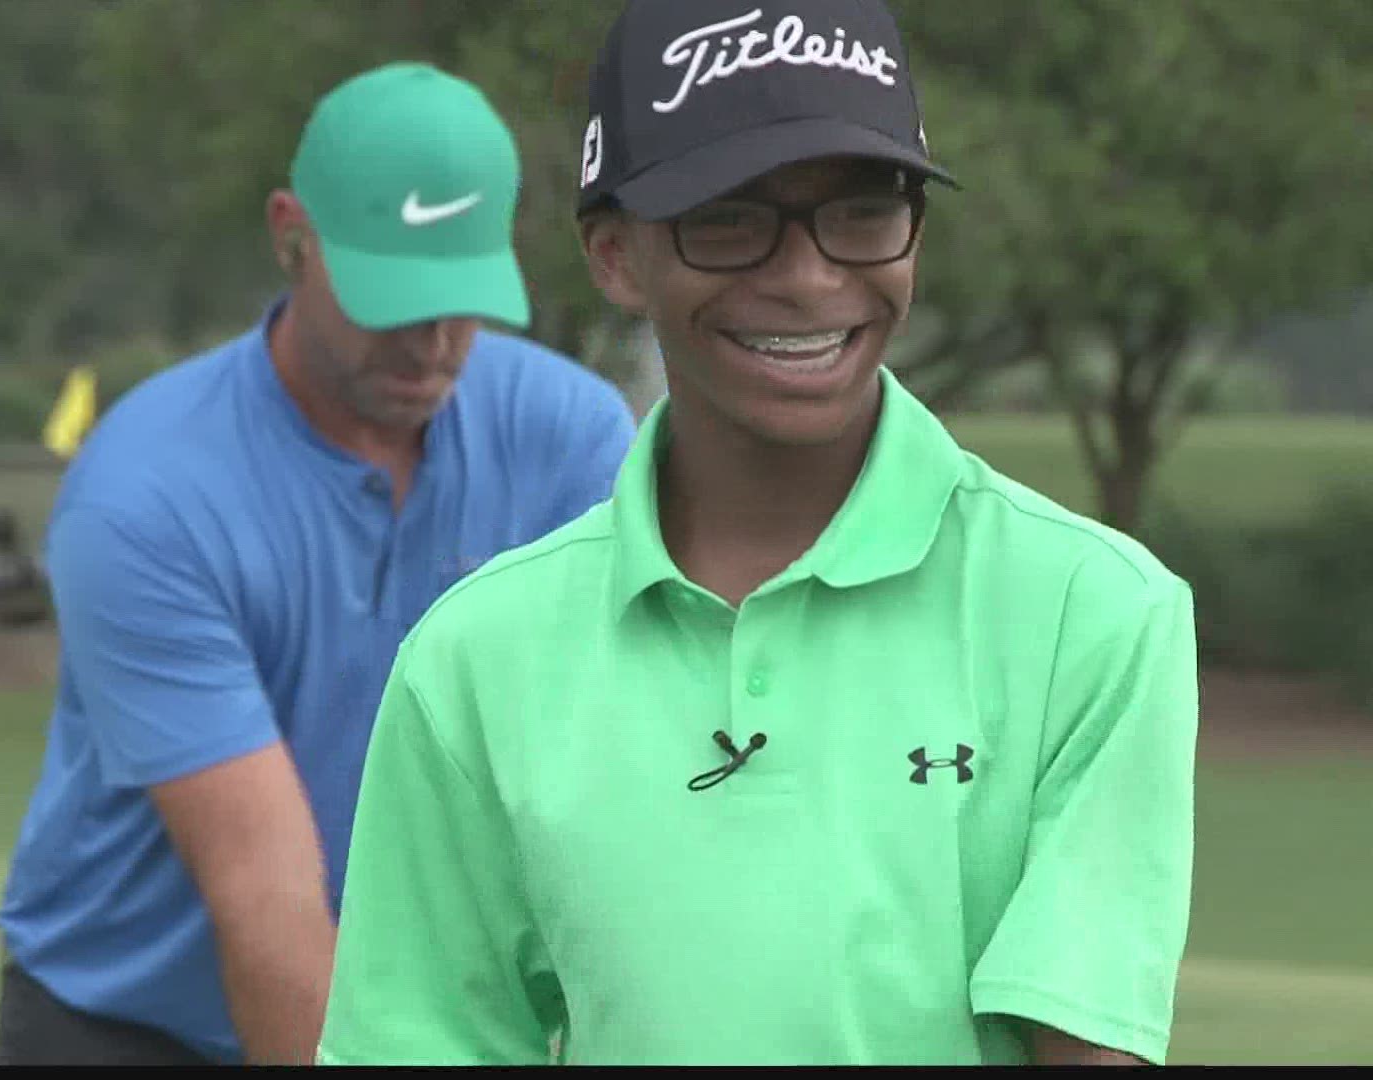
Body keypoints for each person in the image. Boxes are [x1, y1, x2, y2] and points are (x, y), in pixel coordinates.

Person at [318, 0, 1199, 1067]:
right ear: (615, 255)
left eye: (864, 212)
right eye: (728, 217)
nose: (810, 277)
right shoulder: (471, 658)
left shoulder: (1094, 612)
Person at [0, 61, 639, 1066]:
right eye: (392, 298)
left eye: (460, 301)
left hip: (427, 1012)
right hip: (129, 1022)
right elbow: (265, 898)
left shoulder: (571, 438)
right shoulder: (146, 494)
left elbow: (611, 777)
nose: (431, 343)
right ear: (292, 233)